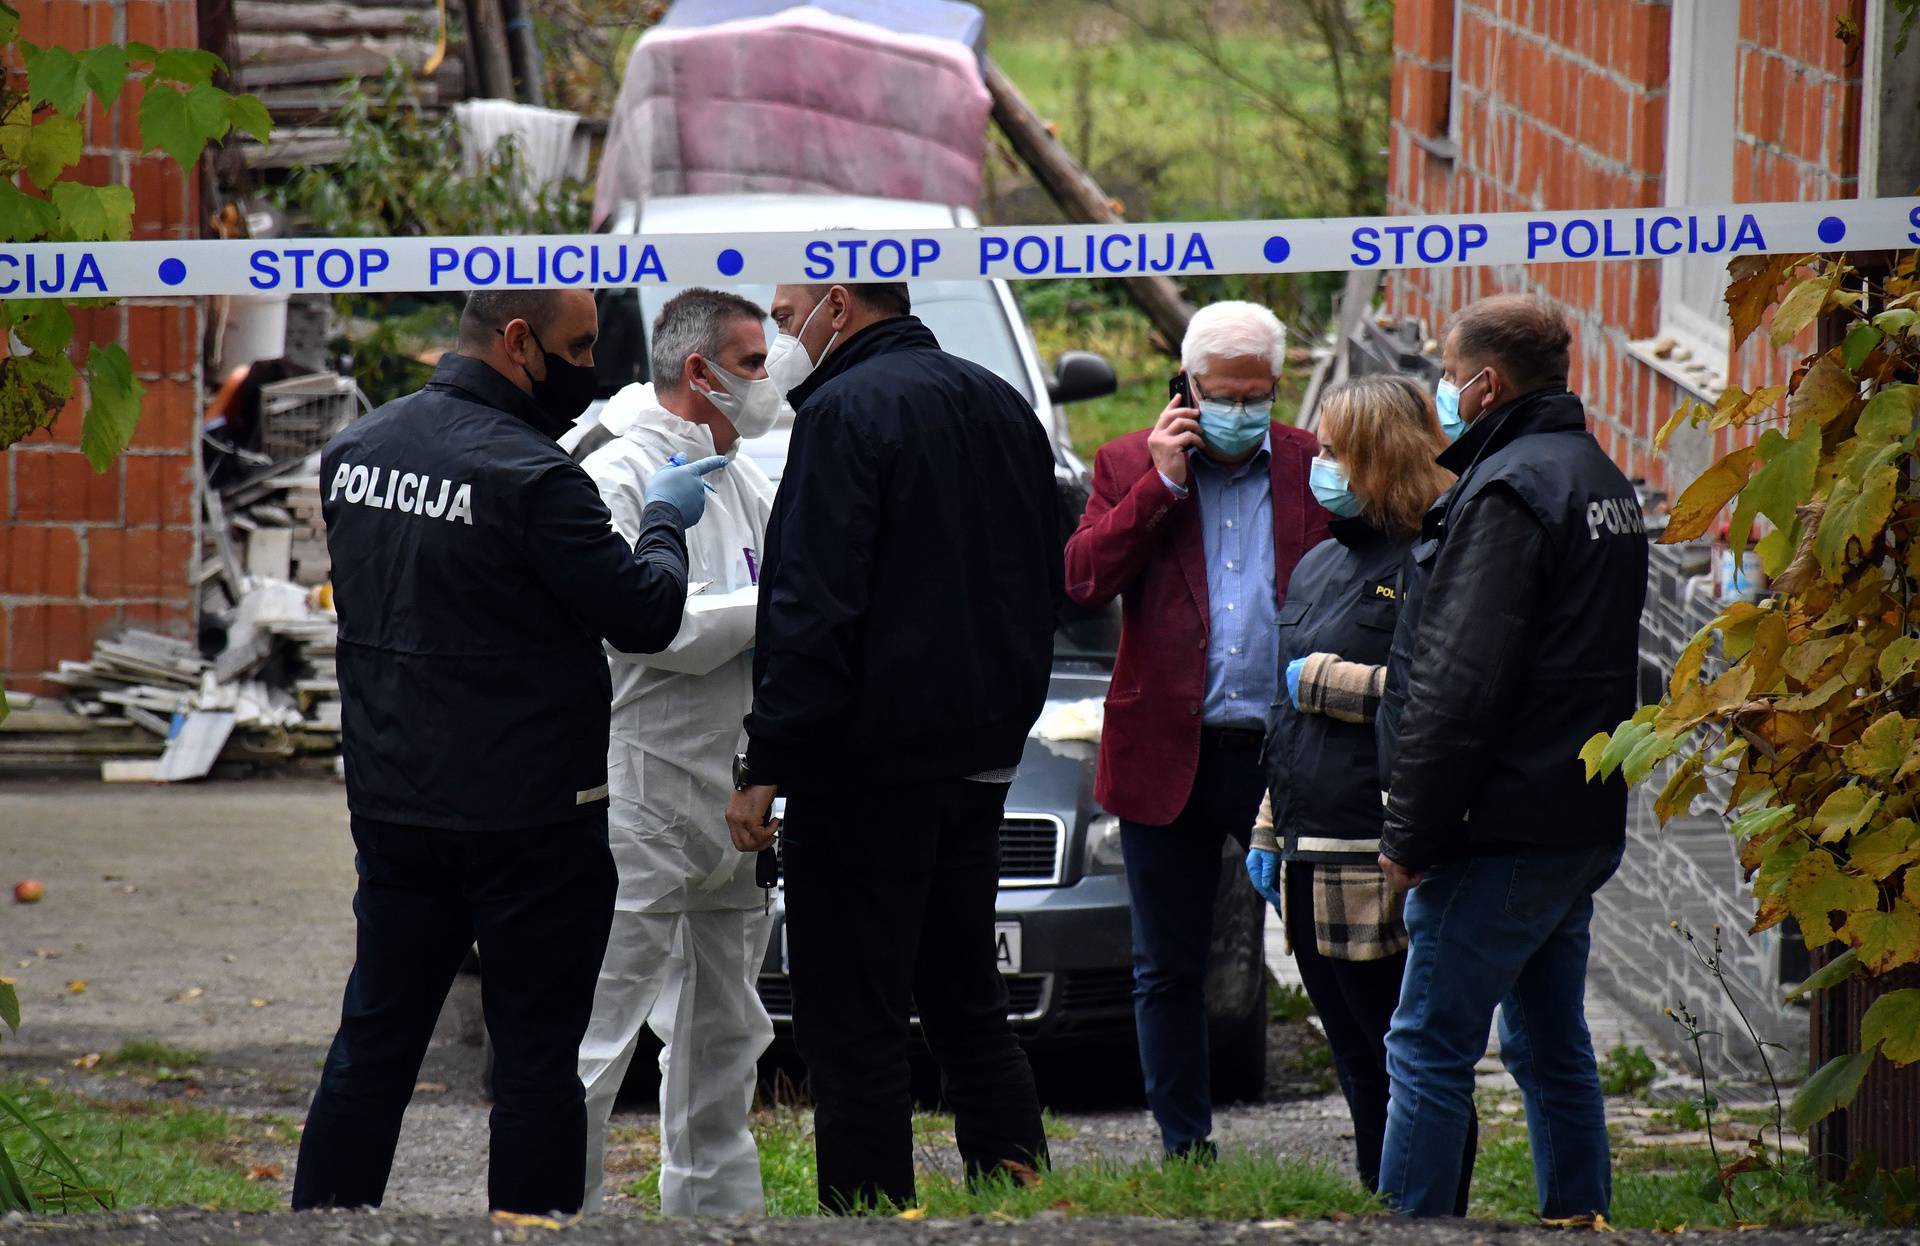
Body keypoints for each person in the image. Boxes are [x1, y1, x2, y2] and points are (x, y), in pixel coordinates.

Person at [294, 288, 727, 1216]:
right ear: (517, 342)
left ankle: (321, 1230)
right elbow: (645, 614)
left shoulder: (357, 453)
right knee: (537, 1067)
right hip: (531, 824)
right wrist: (661, 520)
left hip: (395, 804)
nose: (591, 374)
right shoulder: (535, 479)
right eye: (577, 350)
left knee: (372, 1048)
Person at [722, 280, 1060, 1213]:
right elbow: (1046, 578)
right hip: (978, 761)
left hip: (865, 772)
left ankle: (872, 1216)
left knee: (854, 1020)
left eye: (786, 319)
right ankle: (1018, 1199)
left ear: (839, 307)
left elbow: (811, 608)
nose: (782, 339)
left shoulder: (840, 414)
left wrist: (767, 761)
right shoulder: (1000, 401)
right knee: (965, 1000)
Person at [1373, 294, 1648, 1220]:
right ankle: (1579, 1219)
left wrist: (1409, 832)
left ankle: (1411, 1230)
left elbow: (1458, 682)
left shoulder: (1508, 491)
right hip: (1572, 814)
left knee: (1426, 1045)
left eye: (1448, 377)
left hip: (1498, 825)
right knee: (1546, 1045)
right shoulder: (1598, 476)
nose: (1443, 394)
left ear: (1485, 384)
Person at [1062, 301, 1329, 1161]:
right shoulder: (1125, 464)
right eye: (1224, 395)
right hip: (1167, 751)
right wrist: (1162, 484)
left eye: (1260, 395)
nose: (1243, 412)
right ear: (1187, 387)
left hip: (1284, 751)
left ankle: (1382, 1130)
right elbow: (1083, 581)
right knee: (1166, 965)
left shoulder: (1313, 466)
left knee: (1329, 947)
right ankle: (1186, 1143)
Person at [1242, 376, 1475, 1208]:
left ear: (1380, 457)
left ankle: (1426, 1214)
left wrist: (1329, 683)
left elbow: (1441, 692)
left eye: (1337, 451)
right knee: (1351, 1057)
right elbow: (1283, 707)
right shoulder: (1317, 563)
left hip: (1376, 852)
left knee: (1401, 1060)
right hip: (1306, 848)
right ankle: (1383, 1205)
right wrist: (1267, 831)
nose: (1320, 465)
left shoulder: (1433, 557)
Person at [575, 289, 782, 1215]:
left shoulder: (742, 478)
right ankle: (553, 1212)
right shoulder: (618, 475)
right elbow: (644, 631)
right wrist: (771, 612)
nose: (768, 381)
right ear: (697, 372)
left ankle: (716, 1216)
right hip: (644, 785)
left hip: (733, 791)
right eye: (752, 363)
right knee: (603, 1023)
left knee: (725, 1027)